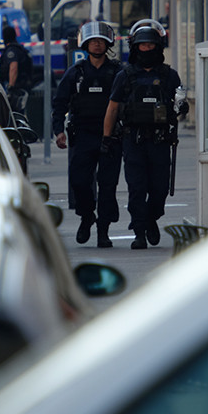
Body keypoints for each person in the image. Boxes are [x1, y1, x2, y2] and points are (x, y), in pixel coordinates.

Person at [102, 19, 187, 250]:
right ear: (135, 47)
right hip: (134, 140)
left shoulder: (170, 76)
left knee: (159, 190)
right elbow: (112, 108)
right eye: (143, 45)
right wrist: (106, 139)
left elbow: (179, 103)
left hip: (160, 140)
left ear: (158, 47)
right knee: (137, 189)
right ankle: (139, 231)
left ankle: (152, 218)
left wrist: (182, 108)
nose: (147, 49)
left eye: (151, 45)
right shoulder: (125, 75)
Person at [51, 21, 123, 248]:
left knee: (108, 185)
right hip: (82, 134)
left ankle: (103, 231)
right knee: (80, 182)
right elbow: (60, 102)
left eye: (101, 41)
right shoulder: (76, 72)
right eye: (93, 41)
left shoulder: (117, 72)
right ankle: (86, 216)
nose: (97, 45)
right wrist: (58, 131)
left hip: (111, 137)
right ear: (85, 44)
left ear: (108, 44)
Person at [0, 24, 32, 114]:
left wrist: (10, 87)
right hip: (22, 86)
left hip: (16, 89)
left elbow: (13, 67)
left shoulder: (11, 51)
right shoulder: (19, 48)